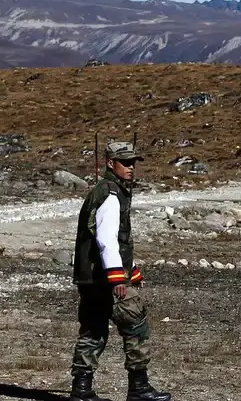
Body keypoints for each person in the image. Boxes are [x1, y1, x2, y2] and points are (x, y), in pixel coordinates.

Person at [68, 141, 171, 401]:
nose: (131, 167)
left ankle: (81, 390)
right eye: (125, 162)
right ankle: (139, 388)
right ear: (110, 164)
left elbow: (108, 240)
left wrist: (131, 270)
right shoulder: (111, 194)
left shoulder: (104, 191)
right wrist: (118, 277)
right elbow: (106, 238)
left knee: (93, 330)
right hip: (105, 279)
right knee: (136, 324)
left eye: (133, 162)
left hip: (91, 277)